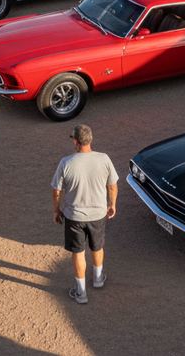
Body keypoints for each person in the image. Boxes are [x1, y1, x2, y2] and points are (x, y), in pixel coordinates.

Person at [52, 124, 119, 306]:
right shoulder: (104, 159)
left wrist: (57, 209)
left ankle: (80, 292)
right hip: (98, 213)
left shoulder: (66, 162)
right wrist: (112, 204)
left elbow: (56, 190)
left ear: (75, 141)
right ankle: (98, 279)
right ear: (90, 139)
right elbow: (112, 185)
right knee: (97, 247)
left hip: (74, 216)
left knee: (78, 252)